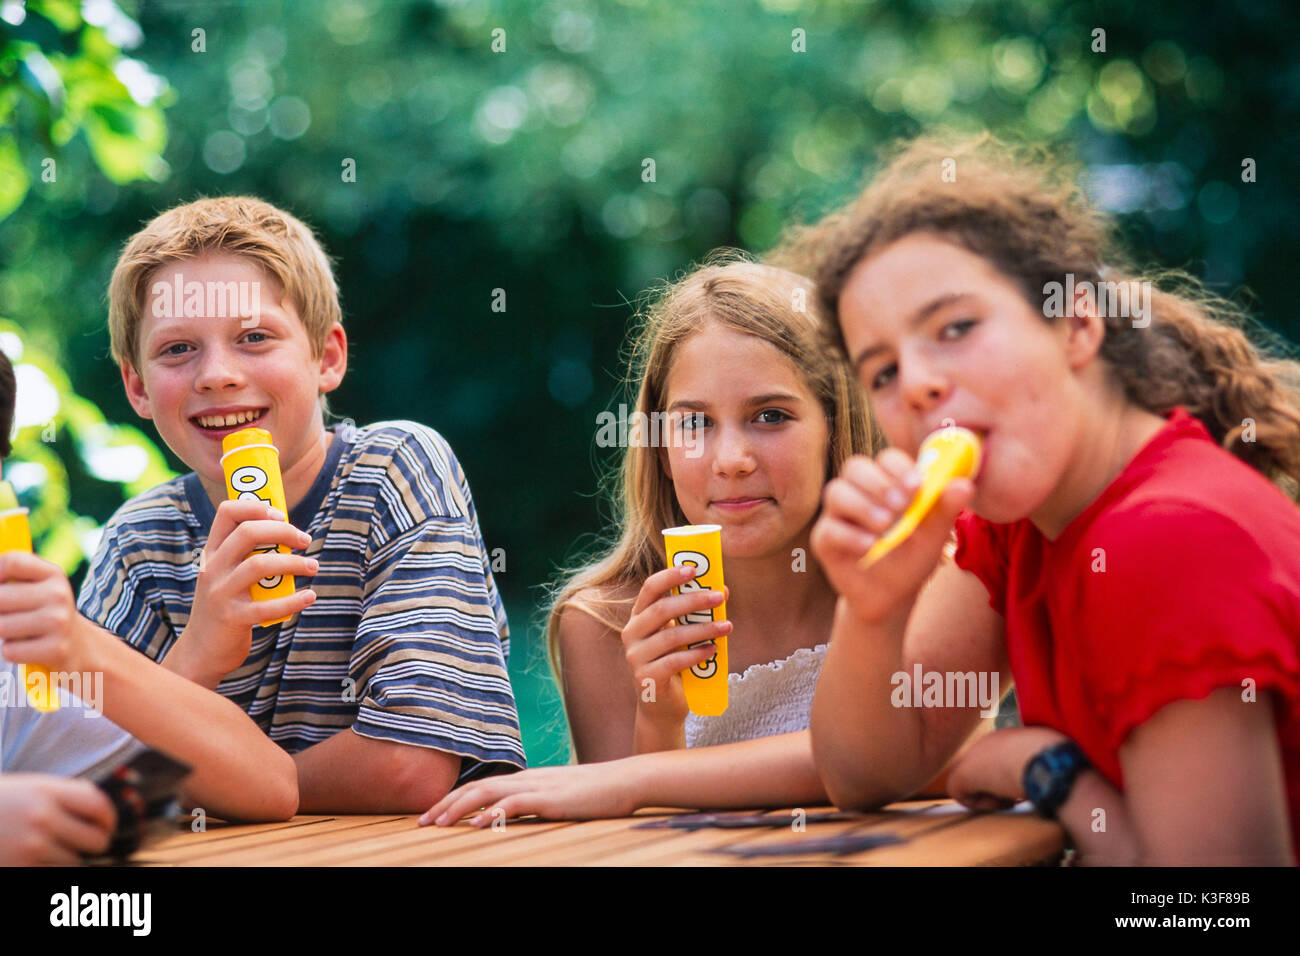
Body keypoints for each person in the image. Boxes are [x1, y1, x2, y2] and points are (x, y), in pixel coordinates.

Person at [779, 132, 1300, 864]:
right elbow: (864, 773)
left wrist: (1050, 775)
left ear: (1077, 324)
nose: (919, 383)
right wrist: (873, 609)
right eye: (883, 371)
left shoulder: (1169, 538)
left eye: (955, 328)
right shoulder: (1022, 522)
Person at [422, 256, 983, 828]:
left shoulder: (923, 580)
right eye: (693, 423)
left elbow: (931, 768)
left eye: (770, 415)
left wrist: (635, 780)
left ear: (836, 428)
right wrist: (659, 721)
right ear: (660, 448)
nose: (732, 461)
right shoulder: (604, 625)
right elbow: (629, 844)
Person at [29, 196, 521, 817]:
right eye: (178, 350)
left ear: (327, 357)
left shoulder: (395, 471)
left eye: (254, 337)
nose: (217, 375)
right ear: (137, 387)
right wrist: (199, 653)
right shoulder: (138, 542)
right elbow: (91, 785)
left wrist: (230, 785)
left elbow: (409, 764)